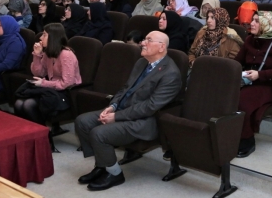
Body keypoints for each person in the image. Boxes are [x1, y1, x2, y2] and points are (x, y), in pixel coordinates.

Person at [74, 31, 182, 191]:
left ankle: (115, 174)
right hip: (122, 110)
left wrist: (116, 117)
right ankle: (102, 165)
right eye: (144, 39)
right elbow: (125, 88)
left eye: (148, 40)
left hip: (144, 121)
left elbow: (150, 107)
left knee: (99, 133)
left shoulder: (171, 74)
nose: (142, 43)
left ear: (161, 47)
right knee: (82, 121)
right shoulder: (141, 63)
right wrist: (113, 106)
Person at [235, 11, 272, 158]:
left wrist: (260, 75)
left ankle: (247, 140)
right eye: (252, 20)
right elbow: (236, 62)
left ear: (267, 25)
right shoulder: (249, 40)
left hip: (268, 84)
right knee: (228, 95)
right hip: (248, 80)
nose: (251, 23)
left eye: (257, 21)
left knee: (242, 101)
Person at [14, 23, 81, 126]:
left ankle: (44, 136)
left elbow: (67, 83)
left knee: (28, 105)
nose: (41, 37)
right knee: (19, 104)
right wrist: (37, 55)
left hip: (67, 93)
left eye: (44, 35)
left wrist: (43, 83)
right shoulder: (49, 53)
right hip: (51, 90)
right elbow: (39, 73)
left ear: (53, 37)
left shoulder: (66, 55)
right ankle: (29, 136)